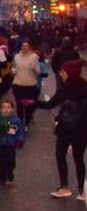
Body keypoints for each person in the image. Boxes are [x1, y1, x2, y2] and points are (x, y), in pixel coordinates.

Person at [38, 60, 87, 199]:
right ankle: (81, 191)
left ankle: (64, 187)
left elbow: (50, 104)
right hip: (82, 130)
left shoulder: (65, 88)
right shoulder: (85, 87)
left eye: (63, 71)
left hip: (65, 129)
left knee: (61, 156)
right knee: (79, 159)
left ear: (69, 73)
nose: (61, 73)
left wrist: (33, 103)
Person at [0, 98, 25, 186]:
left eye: (8, 107)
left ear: (12, 109)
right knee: (0, 162)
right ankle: (2, 177)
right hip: (0, 144)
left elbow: (21, 131)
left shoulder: (16, 121)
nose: (6, 109)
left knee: (11, 162)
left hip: (11, 145)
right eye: (3, 107)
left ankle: (10, 171)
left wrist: (20, 140)